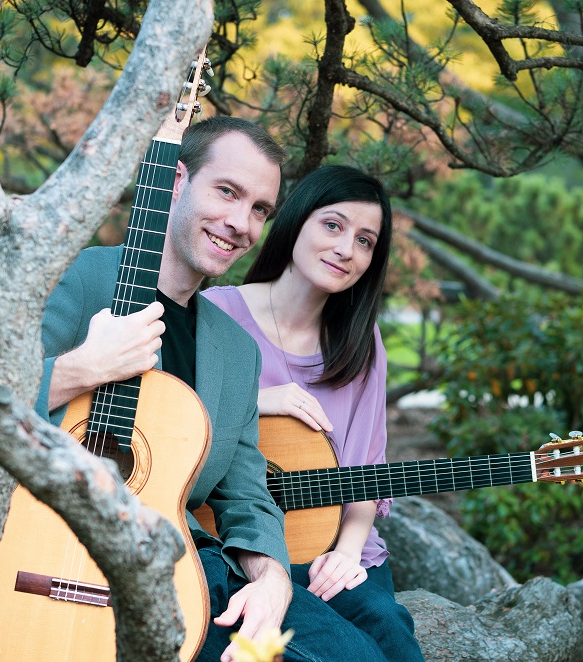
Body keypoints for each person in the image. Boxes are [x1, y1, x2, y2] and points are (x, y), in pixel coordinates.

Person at [36, 118, 392, 662]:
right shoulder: (80, 279)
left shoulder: (233, 349)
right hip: (46, 550)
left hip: (186, 562)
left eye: (258, 210)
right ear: (176, 181)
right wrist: (82, 368)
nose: (240, 223)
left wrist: (272, 578)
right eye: (227, 192)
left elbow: (245, 493)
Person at [203, 165, 424, 661]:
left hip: (332, 548)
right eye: (333, 225)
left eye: (366, 241)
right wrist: (256, 401)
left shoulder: (360, 344)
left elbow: (367, 469)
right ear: (297, 220)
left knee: (389, 628)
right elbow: (173, 419)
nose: (347, 249)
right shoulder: (216, 312)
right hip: (237, 551)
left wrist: (347, 552)